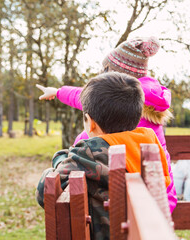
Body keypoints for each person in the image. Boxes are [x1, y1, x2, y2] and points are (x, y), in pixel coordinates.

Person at [36, 36, 177, 213]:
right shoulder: (143, 102)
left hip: (133, 209)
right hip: (158, 201)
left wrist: (68, 154)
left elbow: (45, 191)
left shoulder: (95, 150)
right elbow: (82, 97)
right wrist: (58, 92)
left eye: (106, 71)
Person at [36, 72, 171, 240]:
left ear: (90, 122)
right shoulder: (148, 143)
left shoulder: (91, 152)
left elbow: (45, 190)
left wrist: (60, 157)